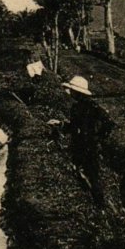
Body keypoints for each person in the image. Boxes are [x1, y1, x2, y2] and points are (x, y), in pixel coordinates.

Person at [48, 76, 114, 205]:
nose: (70, 93)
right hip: (83, 144)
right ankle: (93, 202)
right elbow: (75, 126)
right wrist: (60, 124)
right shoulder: (82, 107)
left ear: (77, 92)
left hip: (86, 145)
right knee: (85, 173)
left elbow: (109, 123)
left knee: (90, 174)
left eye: (72, 90)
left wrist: (97, 137)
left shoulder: (86, 107)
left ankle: (98, 205)